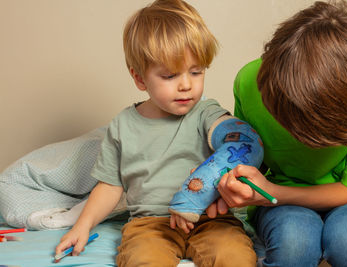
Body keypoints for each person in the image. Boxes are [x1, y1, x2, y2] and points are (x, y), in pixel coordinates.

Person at [54, 0, 258, 266]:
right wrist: (82, 226)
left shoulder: (207, 113)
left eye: (196, 72)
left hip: (212, 220)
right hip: (150, 224)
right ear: (139, 78)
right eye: (170, 76)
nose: (186, 85)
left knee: (236, 258)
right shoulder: (123, 125)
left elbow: (239, 141)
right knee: (142, 260)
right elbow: (109, 187)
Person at [210, 1, 347, 267]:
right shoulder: (252, 83)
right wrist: (234, 182)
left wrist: (272, 193)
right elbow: (252, 157)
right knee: (294, 243)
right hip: (283, 197)